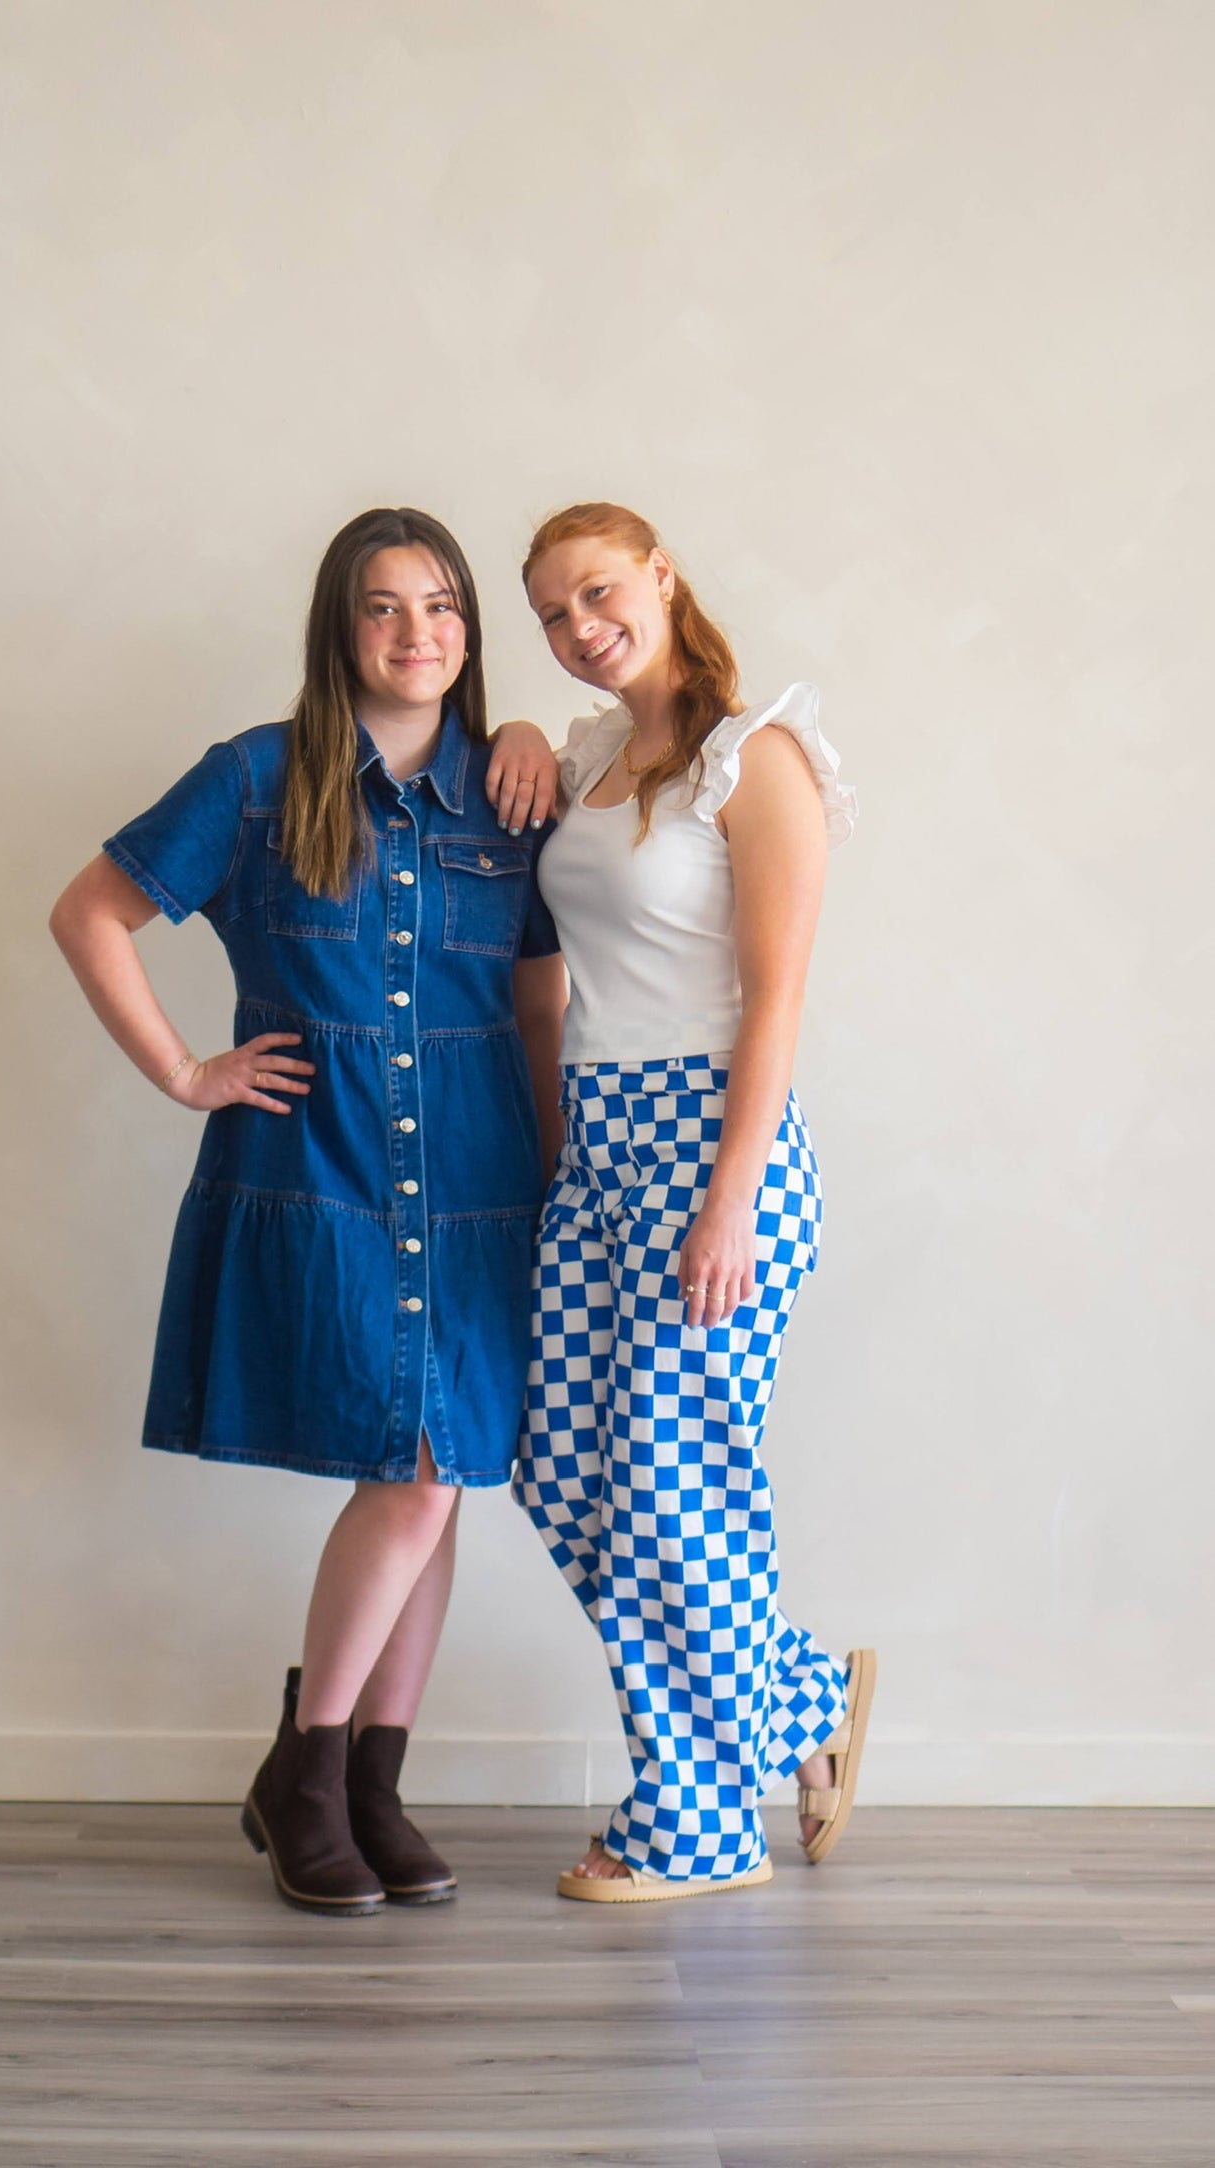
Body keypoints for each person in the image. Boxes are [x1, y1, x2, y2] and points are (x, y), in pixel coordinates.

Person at [50, 507, 564, 1917]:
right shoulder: (259, 778)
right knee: (409, 1473)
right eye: (386, 609)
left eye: (446, 608)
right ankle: (307, 1774)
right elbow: (89, 912)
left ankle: (368, 1787)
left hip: (478, 1182)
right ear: (340, 631)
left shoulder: (507, 792)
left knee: (441, 1479)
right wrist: (183, 1070)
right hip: (324, 1172)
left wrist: (558, 1167)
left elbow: (535, 1002)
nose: (419, 635)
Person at [513, 501, 875, 1902]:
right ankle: (795, 1699)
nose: (575, 627)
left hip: (715, 1147)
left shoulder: (756, 752)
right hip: (594, 1150)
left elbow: (777, 996)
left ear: (659, 576)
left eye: (595, 592)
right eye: (548, 612)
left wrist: (726, 1201)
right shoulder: (596, 754)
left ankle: (695, 1822)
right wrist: (520, 736)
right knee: (557, 1464)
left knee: (671, 1489)